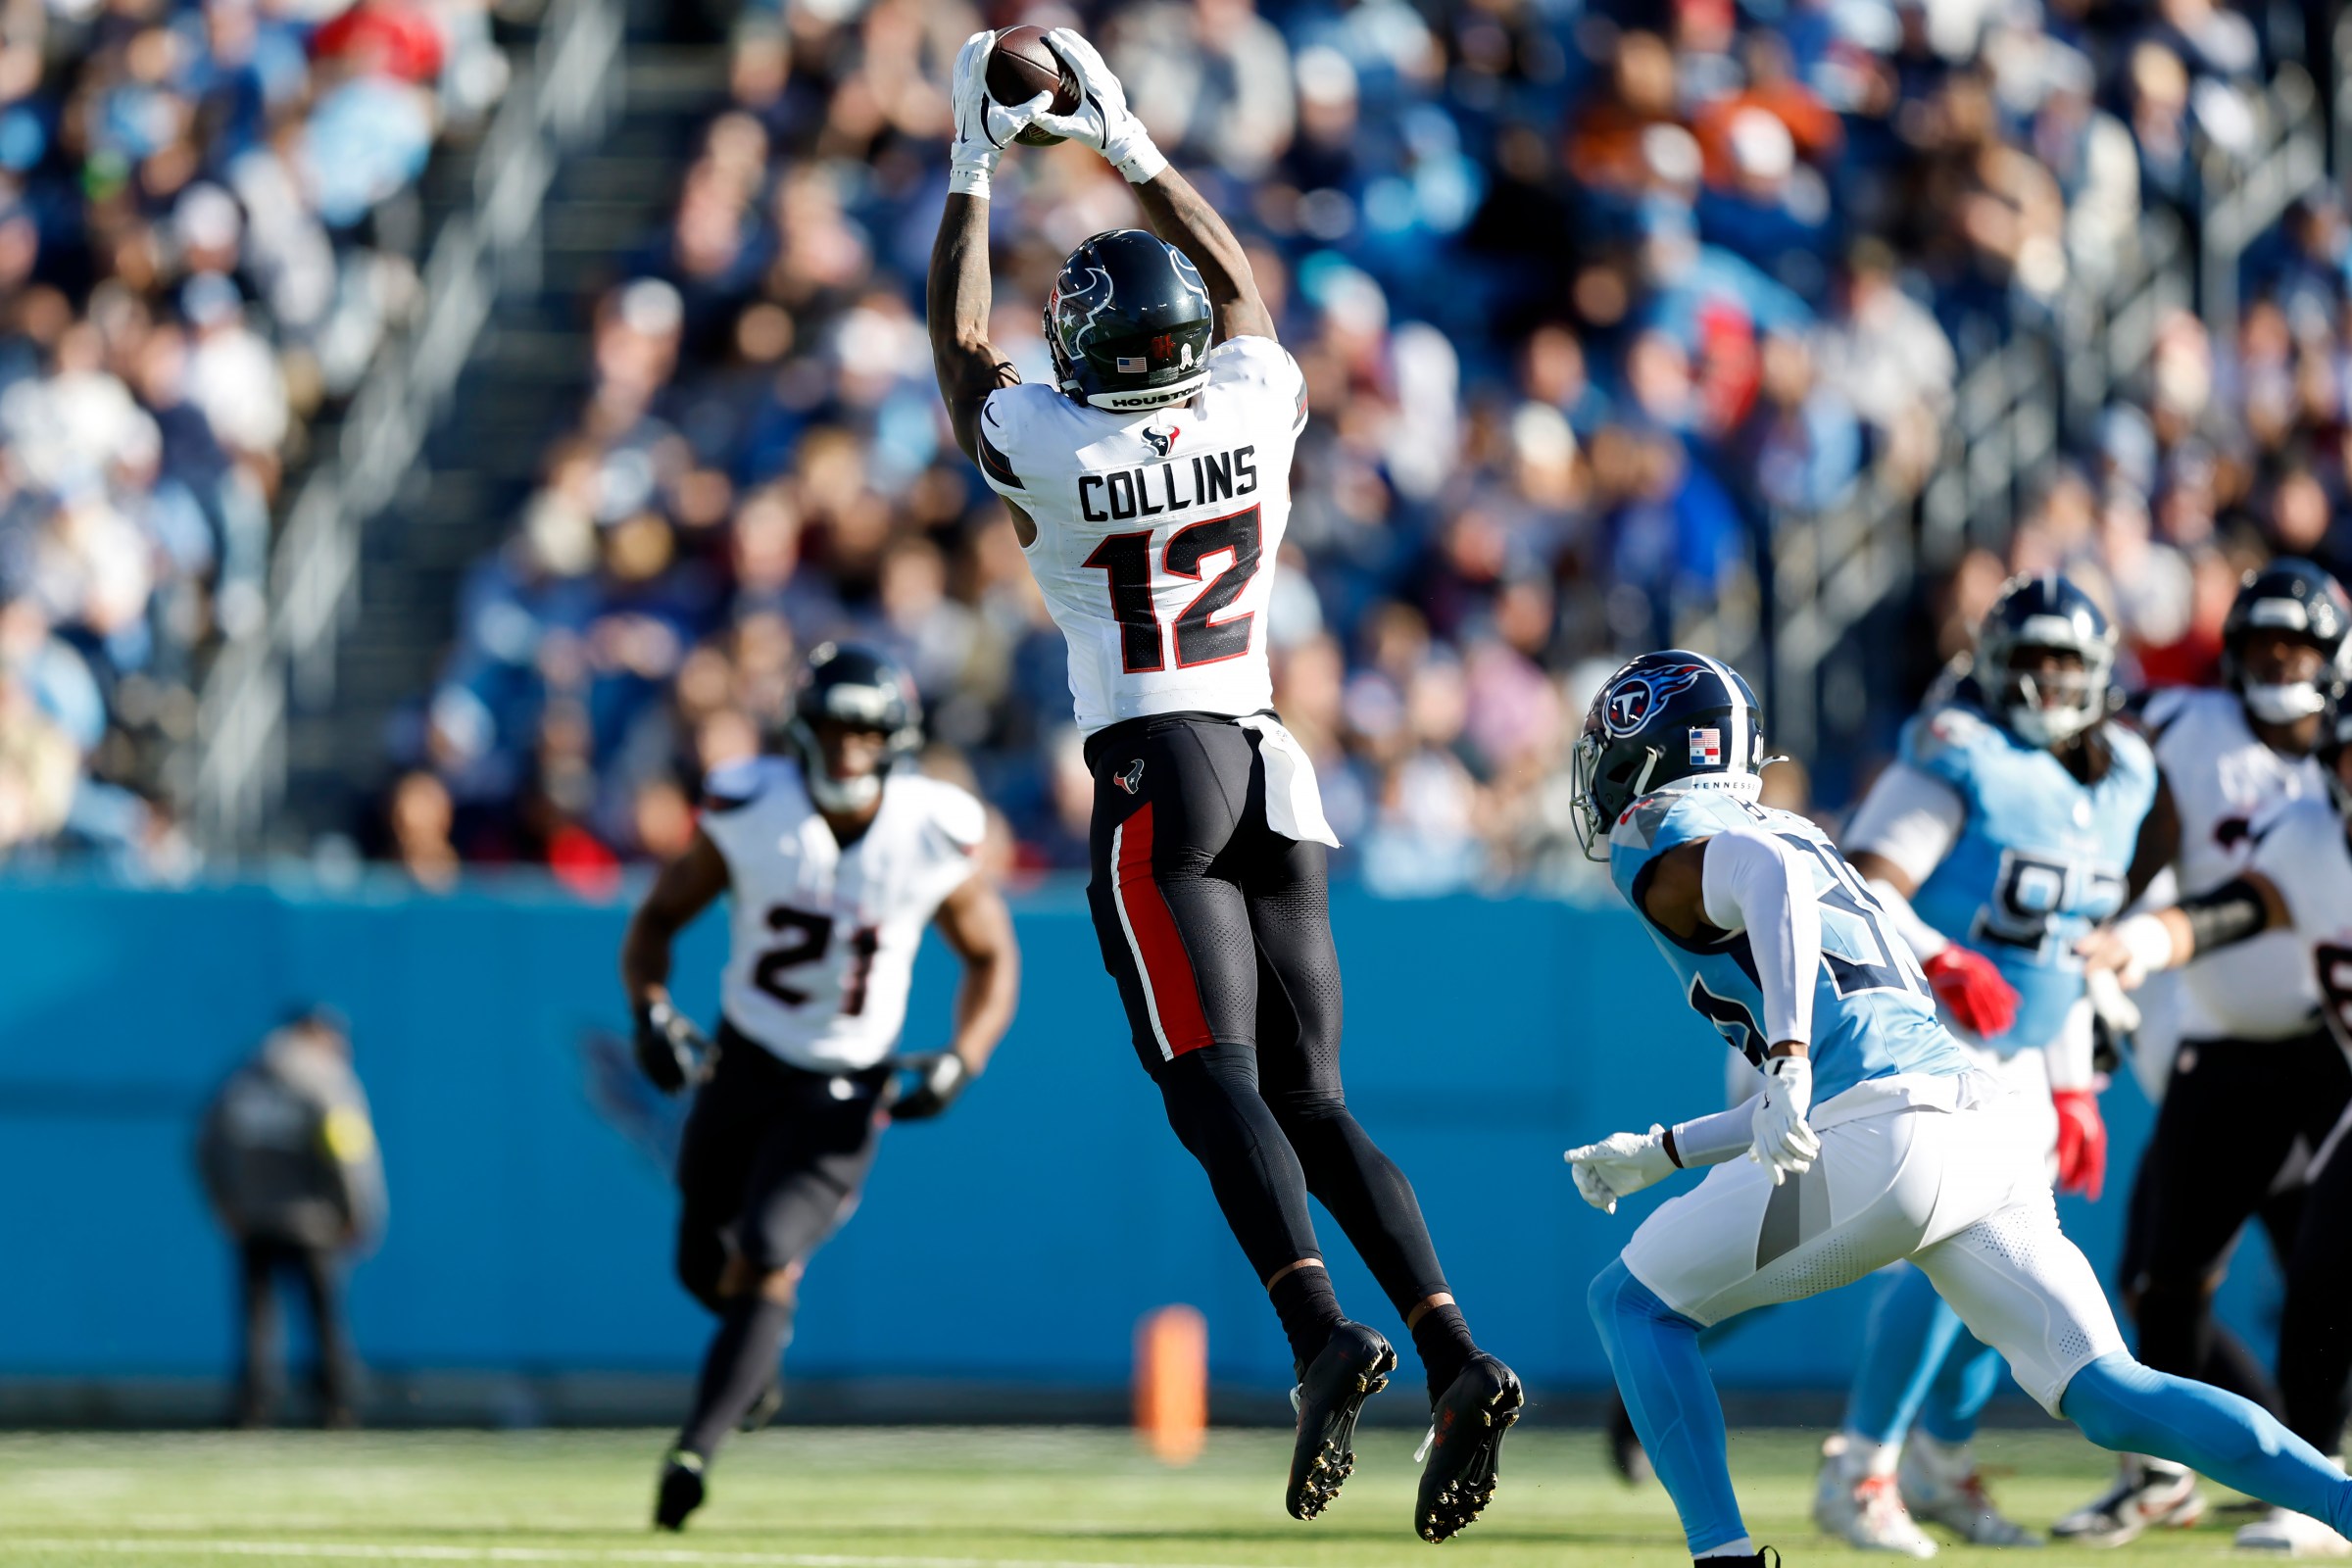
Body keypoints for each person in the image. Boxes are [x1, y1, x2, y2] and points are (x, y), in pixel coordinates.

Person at [925, 28, 1520, 1539]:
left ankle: (1324, 1338)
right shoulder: (1253, 401)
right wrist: (1136, 148)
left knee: (1214, 1086)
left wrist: (975, 165)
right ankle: (1457, 1351)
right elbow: (1246, 294)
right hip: (1275, 762)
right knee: (1321, 1099)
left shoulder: (1054, 446)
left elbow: (960, 348)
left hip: (1157, 764)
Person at [1562, 649, 2352, 1568]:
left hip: (1889, 1129)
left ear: (1652, 746)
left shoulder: (1666, 832)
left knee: (1631, 1303)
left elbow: (1768, 906)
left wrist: (1779, 1057)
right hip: (1977, 1119)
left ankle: (1724, 1558)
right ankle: (2339, 1499)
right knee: (2109, 1393)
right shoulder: (1794, 829)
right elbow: (1816, 1084)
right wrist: (1666, 1149)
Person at [619, 643, 1019, 1532]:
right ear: (803, 728)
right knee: (700, 1260)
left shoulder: (930, 828)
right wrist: (649, 1011)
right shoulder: (750, 805)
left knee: (764, 1250)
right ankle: (756, 1361)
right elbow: (655, 923)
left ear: (896, 739)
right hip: (744, 1062)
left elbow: (992, 957)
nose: (849, 746)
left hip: (843, 1085)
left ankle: (695, 1449)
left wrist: (963, 1057)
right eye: (836, 726)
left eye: (868, 731)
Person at [1811, 575, 2154, 1554]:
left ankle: (1936, 1458)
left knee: (2004, 1283)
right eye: (2031, 658)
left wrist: (2077, 1078)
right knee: (1954, 1260)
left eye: (2065, 662)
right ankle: (1862, 1464)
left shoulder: (2124, 774)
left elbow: (2066, 941)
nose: (2047, 681)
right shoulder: (1958, 755)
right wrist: (1941, 953)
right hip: (1935, 1041)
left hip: (2031, 1058)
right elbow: (1862, 890)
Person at [2056, 560, 2352, 1550]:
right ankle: (2183, 1470)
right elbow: (2219, 904)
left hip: (2332, 1055)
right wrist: (2130, 936)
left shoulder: (2320, 791)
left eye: (2299, 647)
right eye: (2262, 643)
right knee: (2177, 1275)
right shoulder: (2281, 812)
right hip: (2230, 1041)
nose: (2279, 663)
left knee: (2326, 1273)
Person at [196, 1005, 385, 1430]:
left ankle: (252, 1409)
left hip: (253, 1219)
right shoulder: (325, 1079)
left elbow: (205, 1143)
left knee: (257, 1321)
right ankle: (336, 1406)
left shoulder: (243, 1079)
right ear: (316, 1033)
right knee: (324, 1320)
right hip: (313, 1220)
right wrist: (360, 1213)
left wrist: (223, 1202)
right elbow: (349, 1153)